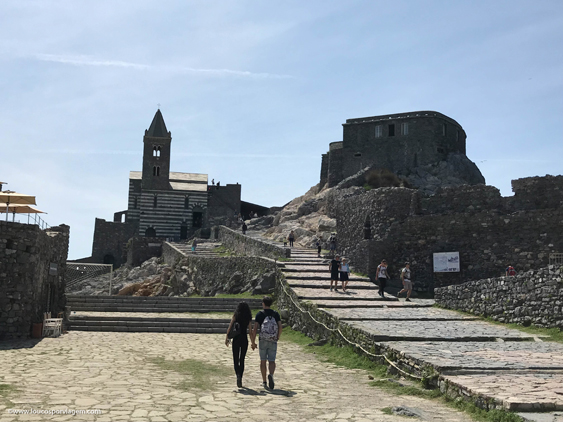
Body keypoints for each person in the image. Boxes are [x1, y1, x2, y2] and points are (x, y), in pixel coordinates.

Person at [251, 296, 282, 390]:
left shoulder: (260, 314)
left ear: (263, 304)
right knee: (272, 360)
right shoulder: (275, 314)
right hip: (273, 339)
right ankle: (271, 375)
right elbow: (280, 326)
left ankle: (264, 381)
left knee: (263, 360)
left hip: (263, 340)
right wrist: (277, 337)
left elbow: (255, 328)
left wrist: (253, 342)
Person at [225, 302, 253, 388]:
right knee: (242, 359)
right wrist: (253, 342)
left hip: (236, 339)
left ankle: (238, 375)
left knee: (235, 359)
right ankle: (240, 375)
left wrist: (227, 337)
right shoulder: (248, 317)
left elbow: (230, 326)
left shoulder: (236, 315)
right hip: (244, 339)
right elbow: (250, 331)